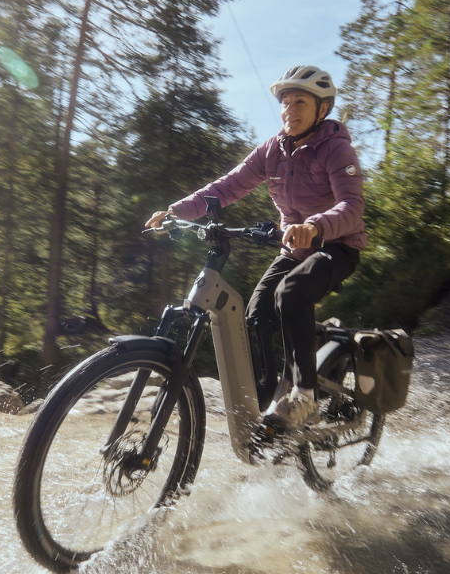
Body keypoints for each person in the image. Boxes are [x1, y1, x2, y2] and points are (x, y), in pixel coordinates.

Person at [146, 65, 367, 430]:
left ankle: (305, 398)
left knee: (292, 292)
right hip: (293, 249)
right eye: (285, 102)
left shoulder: (336, 149)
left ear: (322, 109)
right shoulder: (272, 150)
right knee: (257, 314)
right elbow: (227, 187)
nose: (289, 110)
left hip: (337, 245)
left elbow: (352, 206)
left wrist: (314, 225)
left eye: (300, 102)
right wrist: (175, 211)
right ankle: (268, 395)